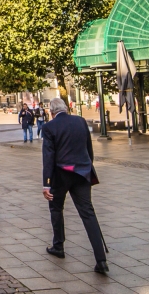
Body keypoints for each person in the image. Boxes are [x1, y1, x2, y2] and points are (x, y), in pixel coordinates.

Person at [41, 98, 108, 274]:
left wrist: (46, 184)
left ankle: (58, 246)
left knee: (56, 208)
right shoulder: (80, 121)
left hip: (61, 174)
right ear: (66, 108)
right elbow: (89, 149)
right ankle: (101, 259)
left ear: (51, 112)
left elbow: (48, 157)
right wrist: (87, 167)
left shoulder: (49, 127)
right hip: (82, 172)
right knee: (88, 213)